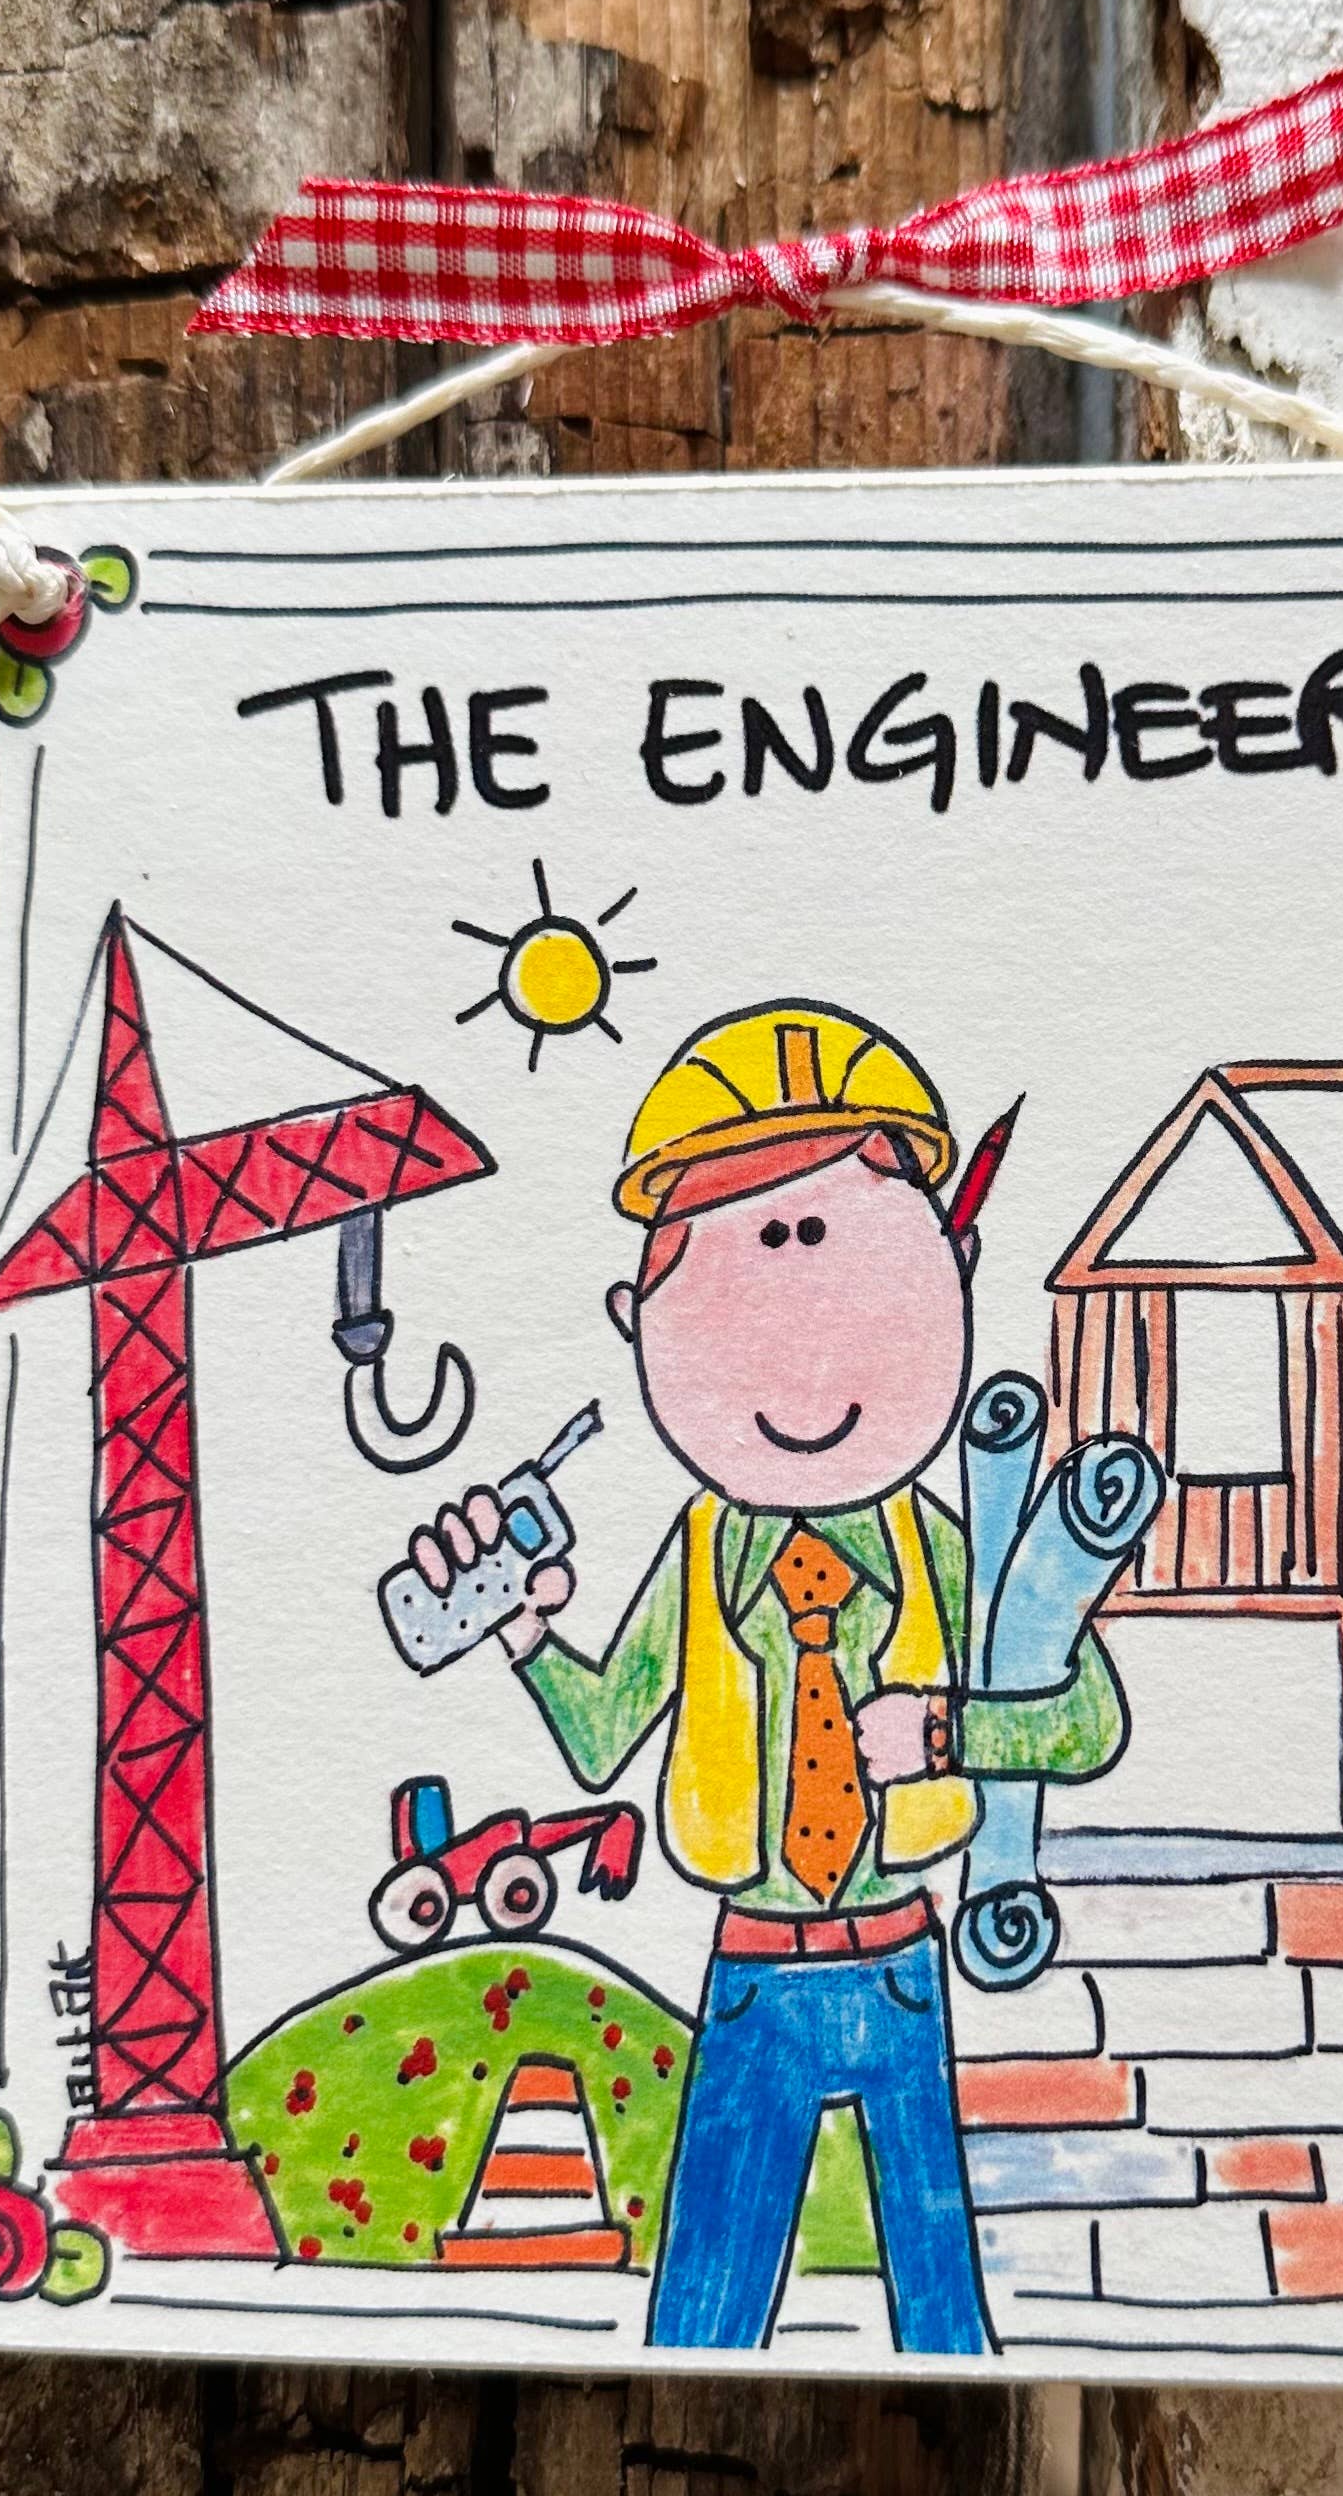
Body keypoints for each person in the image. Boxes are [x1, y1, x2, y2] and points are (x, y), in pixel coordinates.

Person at [401, 1003, 1125, 2353]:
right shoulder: (697, 1557)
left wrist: (949, 1731)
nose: (804, 1376)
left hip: (900, 1965)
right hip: (750, 1976)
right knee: (702, 2315)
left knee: (945, 2320)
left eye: (856, 1309)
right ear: (637, 1322)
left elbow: (1087, 1720)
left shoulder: (943, 1546)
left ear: (954, 1269)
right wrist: (518, 1628)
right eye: (742, 1322)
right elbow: (601, 1737)